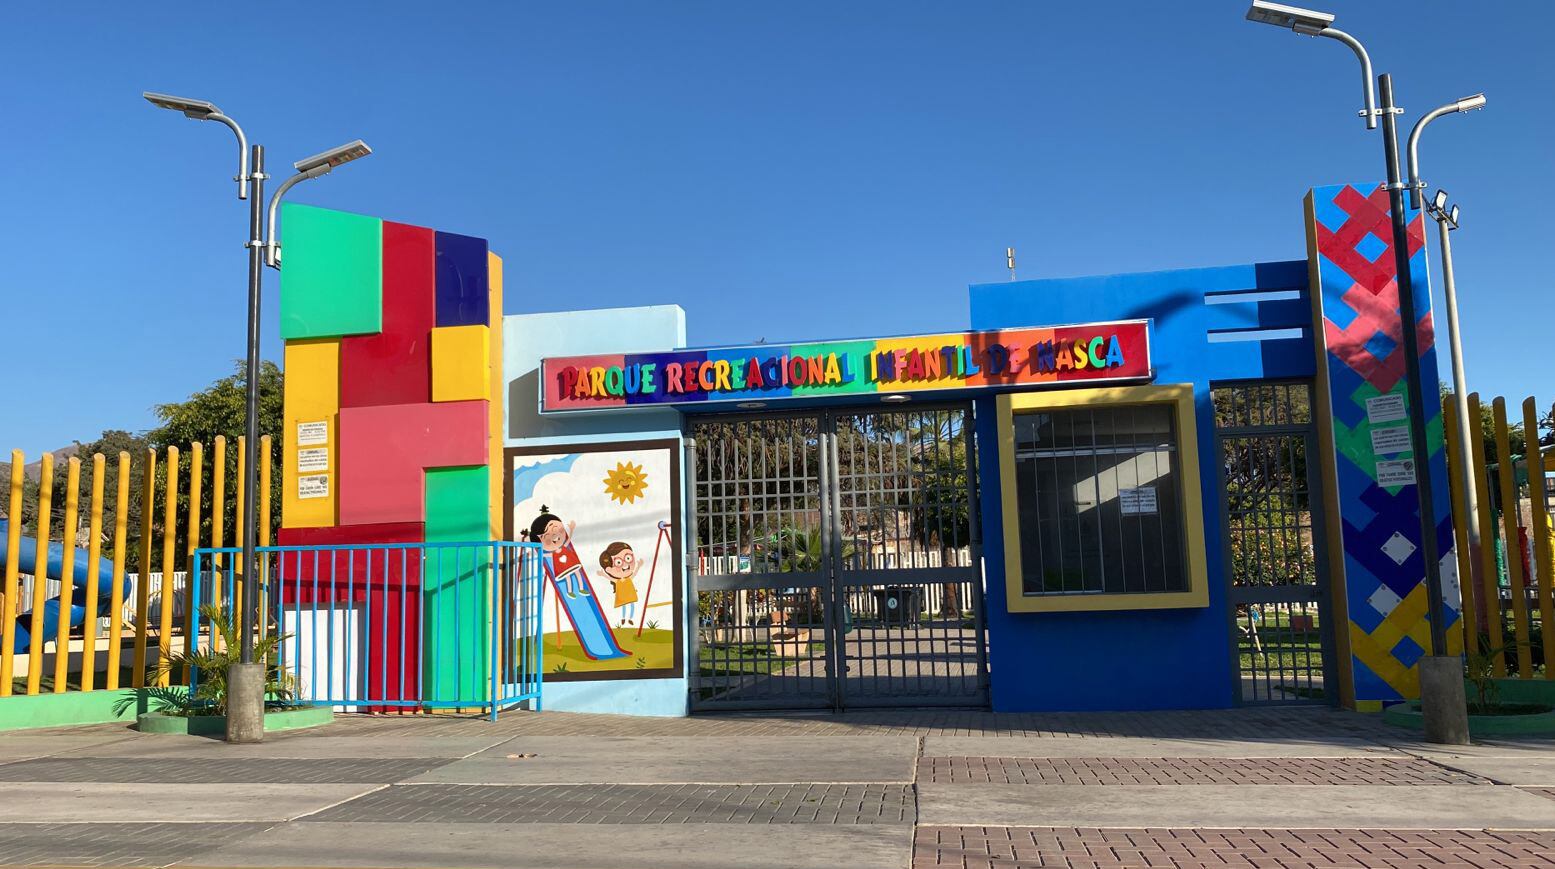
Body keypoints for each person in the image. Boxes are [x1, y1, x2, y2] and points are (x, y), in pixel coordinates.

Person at [524, 506, 589, 598]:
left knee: (577, 574)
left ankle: (581, 589)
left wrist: (571, 529)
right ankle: (570, 591)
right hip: (564, 568)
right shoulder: (553, 553)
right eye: (547, 538)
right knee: (568, 578)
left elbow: (568, 539)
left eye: (558, 530)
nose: (555, 537)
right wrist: (532, 552)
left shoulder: (564, 548)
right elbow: (544, 554)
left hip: (571, 564)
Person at [599, 541, 640, 627]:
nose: (625, 565)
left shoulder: (627, 578)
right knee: (624, 606)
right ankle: (624, 618)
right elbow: (611, 578)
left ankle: (630, 618)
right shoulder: (619, 581)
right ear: (609, 569)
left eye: (628, 558)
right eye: (618, 562)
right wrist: (603, 575)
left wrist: (638, 566)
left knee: (631, 605)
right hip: (623, 595)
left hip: (630, 594)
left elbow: (634, 573)